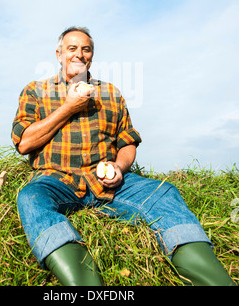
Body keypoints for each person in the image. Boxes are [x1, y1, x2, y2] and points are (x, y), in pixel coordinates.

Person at [12, 26, 235, 286]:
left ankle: (214, 281)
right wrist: (69, 107)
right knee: (30, 198)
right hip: (55, 180)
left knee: (164, 193)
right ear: (59, 54)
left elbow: (128, 141)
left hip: (107, 182)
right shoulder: (36, 91)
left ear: (91, 56)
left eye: (86, 49)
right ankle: (85, 285)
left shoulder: (110, 93)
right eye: (72, 48)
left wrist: (119, 166)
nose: (79, 54)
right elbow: (24, 143)